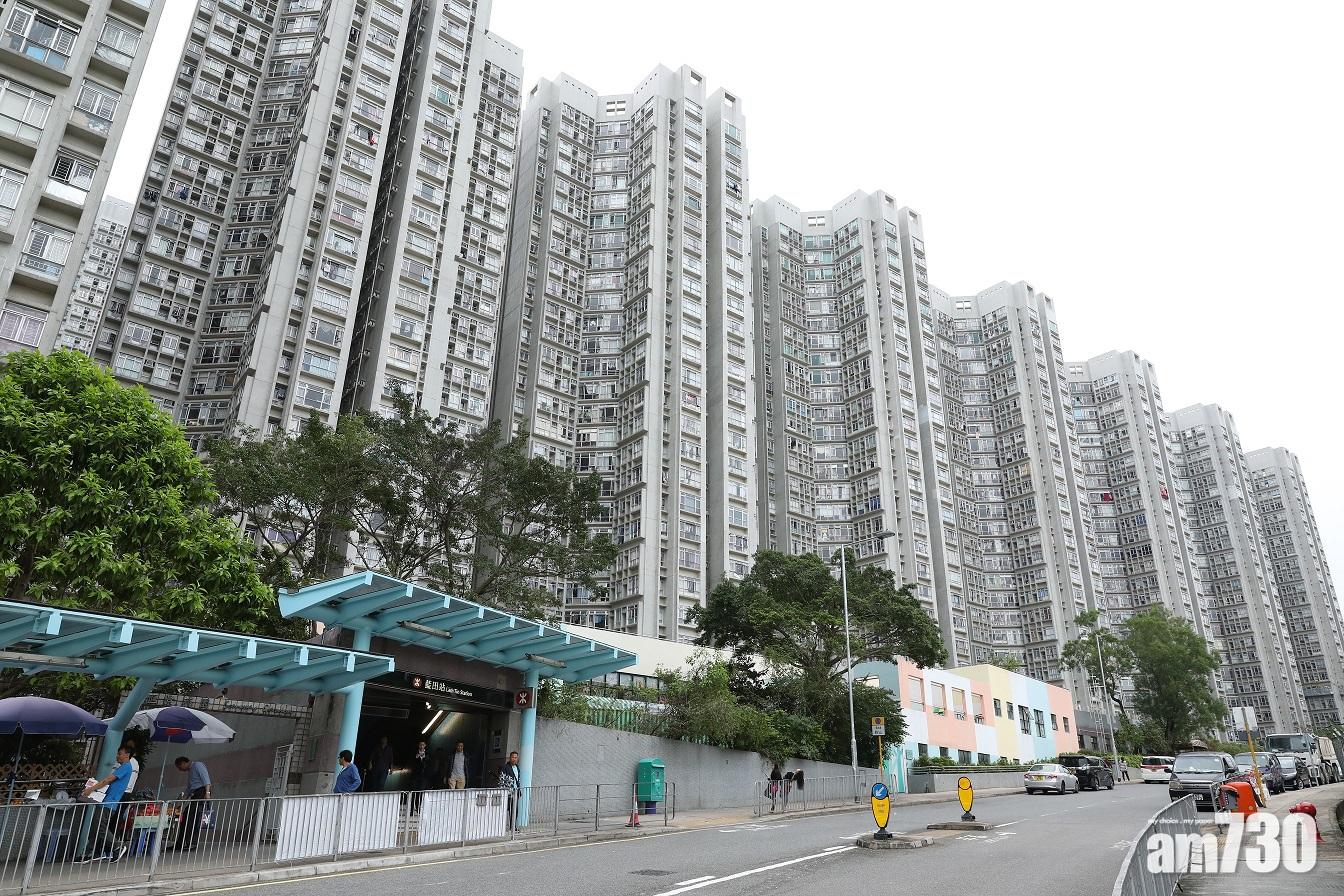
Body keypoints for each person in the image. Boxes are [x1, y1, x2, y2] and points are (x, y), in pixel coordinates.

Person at [78, 745, 135, 863]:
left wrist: (91, 789)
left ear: (127, 755)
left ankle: (116, 846)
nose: (117, 756)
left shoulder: (126, 767)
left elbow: (107, 780)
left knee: (100, 827)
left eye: (120, 754)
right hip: (106, 801)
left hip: (109, 802)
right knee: (95, 828)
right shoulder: (123, 767)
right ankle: (90, 852)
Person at [168, 756, 211, 852]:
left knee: (193, 819)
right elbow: (189, 788)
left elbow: (206, 779)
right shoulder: (190, 771)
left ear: (183, 763)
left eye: (179, 767)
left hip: (201, 792)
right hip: (195, 794)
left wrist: (207, 792)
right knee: (186, 818)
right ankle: (180, 843)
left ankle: (191, 843)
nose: (180, 770)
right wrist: (181, 801)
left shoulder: (198, 765)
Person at [499, 751, 521, 830]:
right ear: (510, 758)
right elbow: (501, 780)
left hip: (515, 792)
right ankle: (501, 827)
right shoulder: (505, 767)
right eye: (513, 757)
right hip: (508, 792)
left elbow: (518, 779)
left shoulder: (517, 768)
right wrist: (503, 791)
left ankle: (513, 826)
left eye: (515, 757)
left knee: (515, 810)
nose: (514, 759)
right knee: (505, 809)